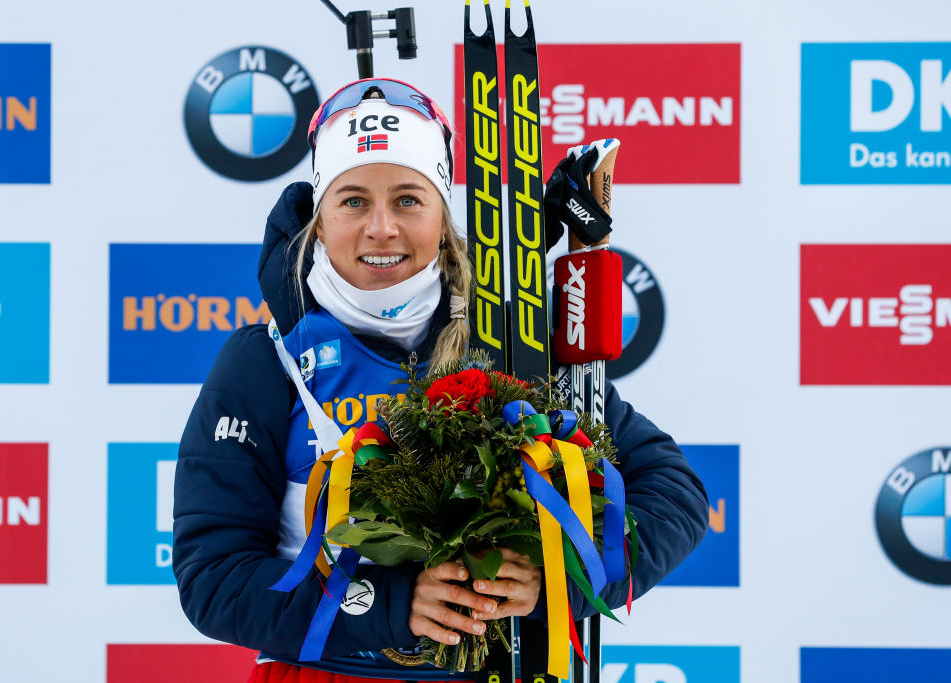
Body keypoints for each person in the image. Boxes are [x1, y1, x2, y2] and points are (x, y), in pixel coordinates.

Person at [173, 78, 709, 683]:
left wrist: (561, 581)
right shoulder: (267, 360)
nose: (381, 227)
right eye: (352, 201)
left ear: (441, 214)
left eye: (408, 199)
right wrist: (391, 604)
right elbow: (212, 577)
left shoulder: (510, 345)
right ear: (318, 221)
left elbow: (674, 492)